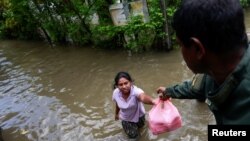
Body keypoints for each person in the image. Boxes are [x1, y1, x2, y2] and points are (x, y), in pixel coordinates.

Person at [157, 0, 250, 124]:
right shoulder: (215, 71)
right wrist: (169, 91)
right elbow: (195, 88)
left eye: (180, 45)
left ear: (197, 49)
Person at [112, 71, 155, 139]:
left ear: (131, 82)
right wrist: (116, 114)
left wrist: (154, 101)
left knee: (141, 129)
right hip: (126, 119)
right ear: (117, 86)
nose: (124, 86)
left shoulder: (136, 91)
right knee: (134, 137)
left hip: (139, 116)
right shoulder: (116, 93)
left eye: (126, 83)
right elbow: (118, 103)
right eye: (120, 84)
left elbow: (143, 97)